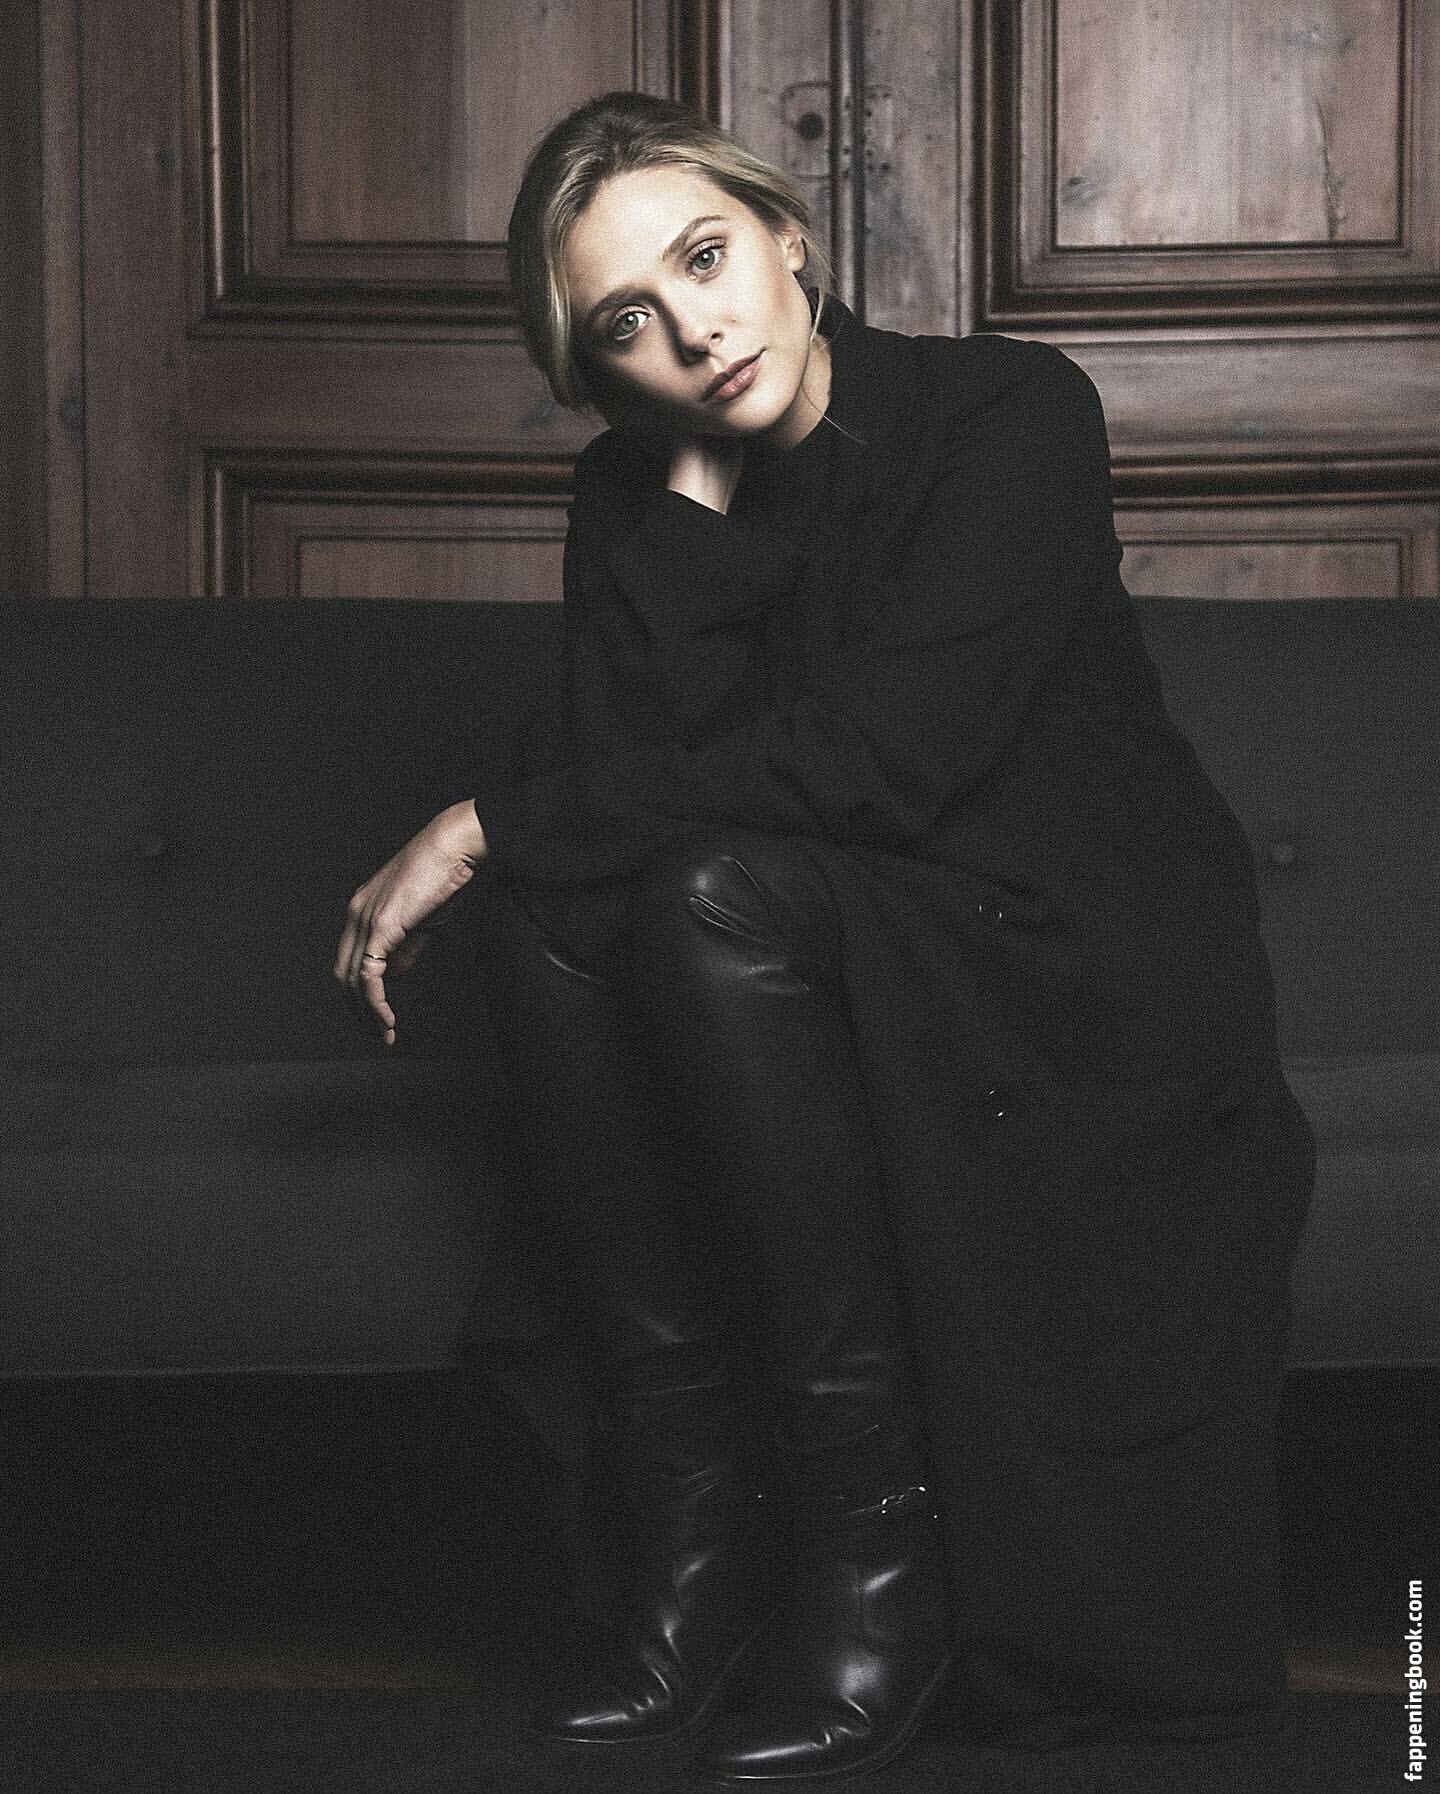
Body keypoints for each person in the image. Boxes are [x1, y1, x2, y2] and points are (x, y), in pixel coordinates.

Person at [333, 89, 1316, 1780]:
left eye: (707, 258)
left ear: (790, 238)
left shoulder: (1009, 410)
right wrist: (690, 510)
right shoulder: (636, 498)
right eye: (626, 322)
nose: (693, 330)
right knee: (564, 916)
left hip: (1063, 953)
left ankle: (878, 1549)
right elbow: (613, 795)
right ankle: (706, 1536)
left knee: (654, 881)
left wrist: (480, 822)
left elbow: (884, 765)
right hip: (812, 945)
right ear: (594, 370)